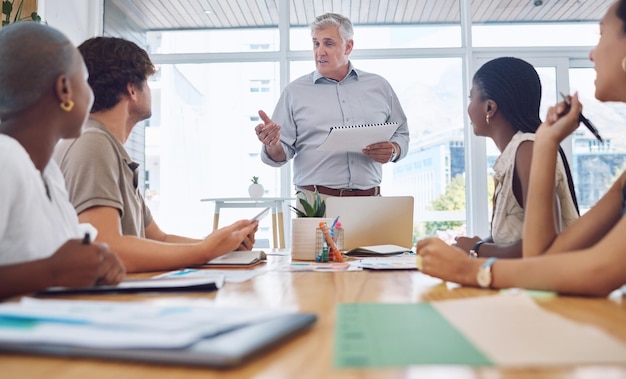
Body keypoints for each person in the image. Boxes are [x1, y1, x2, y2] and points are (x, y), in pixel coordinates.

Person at [416, 0, 626, 297]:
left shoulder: (521, 148)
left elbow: (601, 269)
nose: (592, 53)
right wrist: (546, 142)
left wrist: (472, 266)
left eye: (603, 34)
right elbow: (543, 255)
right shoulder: (621, 183)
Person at [53, 36, 258, 273]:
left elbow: (158, 240)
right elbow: (106, 247)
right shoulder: (93, 144)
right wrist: (205, 250)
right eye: (147, 83)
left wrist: (220, 246)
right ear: (132, 90)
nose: (149, 89)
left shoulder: (107, 147)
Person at [0, 22, 125, 299]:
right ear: (65, 89)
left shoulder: (49, 174)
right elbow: (52, 269)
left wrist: (95, 266)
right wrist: (51, 272)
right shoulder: (4, 158)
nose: (92, 96)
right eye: (86, 80)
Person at [254, 12, 409, 203]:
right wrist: (273, 144)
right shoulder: (294, 92)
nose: (320, 51)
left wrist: (393, 149)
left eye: (328, 43)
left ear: (348, 46)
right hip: (315, 202)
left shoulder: (379, 86)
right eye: (316, 43)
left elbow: (401, 134)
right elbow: (279, 155)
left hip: (370, 201)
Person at [453, 57, 579, 259]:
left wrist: (476, 249)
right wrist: (479, 243)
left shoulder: (527, 148)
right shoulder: (518, 151)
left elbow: (544, 244)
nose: (468, 108)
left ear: (489, 108)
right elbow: (516, 236)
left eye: (471, 99)